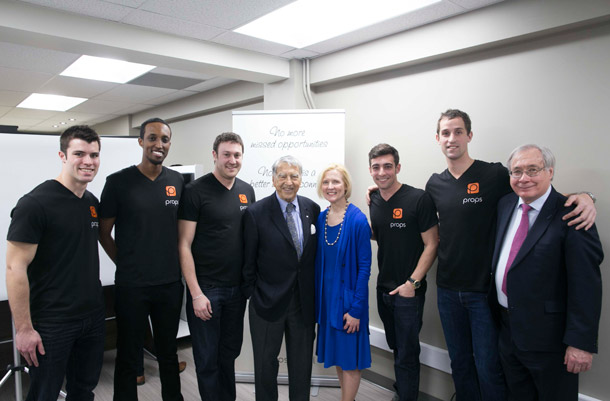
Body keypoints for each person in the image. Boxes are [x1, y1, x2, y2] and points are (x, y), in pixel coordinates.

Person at [424, 109, 597, 401]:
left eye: (457, 131)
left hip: (482, 293)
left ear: (469, 135)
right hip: (448, 291)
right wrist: (375, 191)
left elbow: (539, 195)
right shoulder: (435, 184)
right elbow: (420, 217)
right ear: (438, 138)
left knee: (489, 368)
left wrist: (585, 197)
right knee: (461, 364)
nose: (451, 138)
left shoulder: (494, 175)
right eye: (445, 133)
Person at [489, 144, 602, 401]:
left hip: (552, 342)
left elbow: (587, 285)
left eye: (533, 169)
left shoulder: (573, 214)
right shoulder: (505, 204)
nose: (524, 178)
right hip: (508, 333)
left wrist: (581, 343)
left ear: (550, 172)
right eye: (516, 171)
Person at [6, 125, 105, 401]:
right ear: (63, 156)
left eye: (94, 155)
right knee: (44, 394)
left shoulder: (91, 203)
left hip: (92, 317)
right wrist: (24, 329)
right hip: (52, 322)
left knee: (83, 391)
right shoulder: (35, 205)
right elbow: (15, 269)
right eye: (79, 153)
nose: (88, 161)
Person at [99, 117, 184, 401]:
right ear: (140, 141)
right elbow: (103, 232)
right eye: (152, 138)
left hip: (170, 283)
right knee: (128, 352)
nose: (158, 144)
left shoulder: (176, 181)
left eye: (164, 139)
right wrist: (124, 263)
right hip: (131, 286)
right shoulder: (118, 182)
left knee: (168, 352)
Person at [177, 132, 255, 400]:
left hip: (237, 290)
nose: (232, 160)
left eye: (237, 155)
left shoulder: (247, 191)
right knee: (207, 359)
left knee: (229, 354)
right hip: (206, 290)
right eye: (226, 154)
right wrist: (196, 293)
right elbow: (183, 245)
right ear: (214, 155)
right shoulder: (195, 192)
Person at [242, 155, 321, 401]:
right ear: (273, 179)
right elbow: (247, 263)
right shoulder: (256, 213)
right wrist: (255, 294)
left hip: (302, 304)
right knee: (266, 367)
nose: (289, 181)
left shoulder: (312, 208)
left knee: (301, 367)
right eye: (283, 176)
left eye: (294, 176)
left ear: (301, 179)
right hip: (267, 303)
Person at [368, 144, 439, 401]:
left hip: (409, 291)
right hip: (383, 287)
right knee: (397, 346)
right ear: (370, 170)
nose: (382, 172)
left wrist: (413, 282)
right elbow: (380, 232)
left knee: (408, 353)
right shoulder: (373, 199)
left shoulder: (418, 199)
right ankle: (402, 392)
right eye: (376, 167)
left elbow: (432, 243)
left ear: (398, 168)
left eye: (388, 166)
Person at [315, 164, 372, 401]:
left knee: (350, 361)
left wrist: (356, 310)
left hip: (349, 303)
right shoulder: (320, 218)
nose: (331, 187)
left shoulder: (358, 220)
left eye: (336, 182)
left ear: (346, 186)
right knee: (339, 356)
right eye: (326, 182)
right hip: (328, 301)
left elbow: (365, 268)